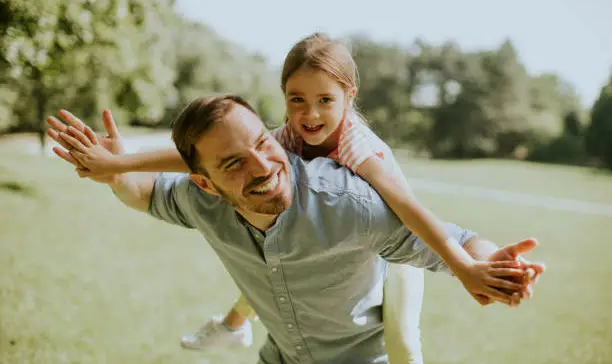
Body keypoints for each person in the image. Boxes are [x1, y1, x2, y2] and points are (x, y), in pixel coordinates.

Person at [47, 33, 541, 364]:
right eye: (297, 100)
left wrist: (477, 266)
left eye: (326, 100)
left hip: (387, 275)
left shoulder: (358, 171)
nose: (309, 114)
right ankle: (234, 324)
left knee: (404, 339)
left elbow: (421, 219)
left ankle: (236, 322)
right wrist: (118, 166)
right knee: (274, 246)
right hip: (282, 347)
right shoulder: (268, 150)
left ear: (349, 96)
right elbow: (193, 163)